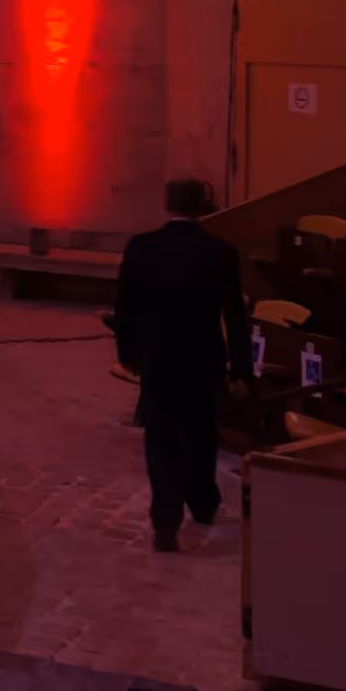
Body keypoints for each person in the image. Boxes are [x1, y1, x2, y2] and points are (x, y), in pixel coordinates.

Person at [114, 178, 253, 552]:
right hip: (203, 359)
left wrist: (128, 356)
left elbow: (125, 309)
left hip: (158, 359)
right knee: (201, 434)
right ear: (203, 205)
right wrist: (241, 369)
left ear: (167, 203)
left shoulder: (141, 247)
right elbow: (235, 316)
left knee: (160, 439)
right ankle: (203, 503)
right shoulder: (220, 251)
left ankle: (165, 521)